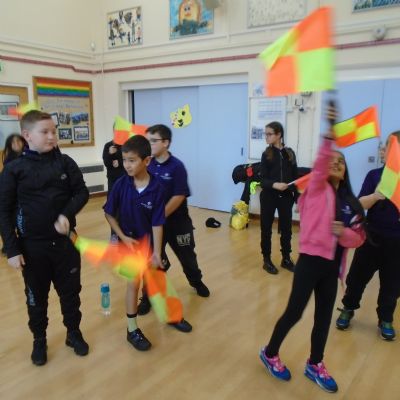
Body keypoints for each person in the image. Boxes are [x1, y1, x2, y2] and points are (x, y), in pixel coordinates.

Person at [259, 106, 366, 393]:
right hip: (309, 262)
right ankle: (270, 352)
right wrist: (329, 134)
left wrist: (343, 233)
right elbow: (320, 165)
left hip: (331, 269)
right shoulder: (316, 189)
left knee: (323, 319)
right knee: (294, 313)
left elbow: (358, 237)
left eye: (340, 162)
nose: (335, 164)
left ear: (346, 170)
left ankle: (315, 363)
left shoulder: (350, 202)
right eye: (331, 161)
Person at [0, 110, 90, 366]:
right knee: (36, 299)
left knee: (70, 294)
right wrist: (13, 249)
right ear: (27, 135)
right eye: (45, 132)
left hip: (65, 244)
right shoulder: (13, 170)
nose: (52, 136)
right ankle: (39, 339)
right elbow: (4, 210)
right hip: (32, 248)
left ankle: (73, 333)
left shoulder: (65, 163)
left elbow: (81, 193)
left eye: (54, 131)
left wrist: (66, 214)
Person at [103, 135, 192, 352]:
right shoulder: (120, 185)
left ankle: (171, 316)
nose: (127, 165)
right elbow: (109, 214)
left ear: (146, 161)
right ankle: (132, 329)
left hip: (150, 245)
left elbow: (157, 222)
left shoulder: (158, 188)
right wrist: (122, 237)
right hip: (128, 246)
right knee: (133, 284)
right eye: (124, 160)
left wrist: (157, 253)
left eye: (132, 160)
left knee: (158, 279)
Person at [137, 124, 210, 316]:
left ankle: (196, 281)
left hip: (178, 223)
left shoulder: (177, 166)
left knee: (187, 256)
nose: (149, 145)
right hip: (155, 225)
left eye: (153, 141)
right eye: (147, 141)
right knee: (151, 260)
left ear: (166, 143)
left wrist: (160, 214)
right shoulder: (147, 164)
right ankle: (147, 297)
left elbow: (179, 196)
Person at [336, 131, 400, 341]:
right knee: (357, 277)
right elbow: (359, 204)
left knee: (392, 283)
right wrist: (376, 195)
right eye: (387, 147)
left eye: (394, 148)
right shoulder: (374, 176)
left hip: (396, 242)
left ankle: (386, 318)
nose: (388, 151)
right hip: (371, 236)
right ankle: (348, 307)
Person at [259, 122, 298, 274]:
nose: (266, 137)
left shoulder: (290, 154)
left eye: (269, 134)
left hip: (286, 197)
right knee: (266, 229)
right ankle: (266, 260)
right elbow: (262, 180)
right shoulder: (266, 155)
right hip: (269, 196)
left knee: (287, 229)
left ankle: (286, 258)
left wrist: (298, 199)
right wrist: (275, 185)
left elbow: (295, 178)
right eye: (266, 134)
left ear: (279, 135)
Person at [102, 137, 125, 240]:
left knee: (124, 208)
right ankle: (114, 235)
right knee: (112, 209)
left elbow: (130, 160)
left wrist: (119, 162)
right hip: (112, 181)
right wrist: (110, 154)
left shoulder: (126, 145)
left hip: (125, 180)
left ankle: (124, 234)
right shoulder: (108, 145)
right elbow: (106, 163)